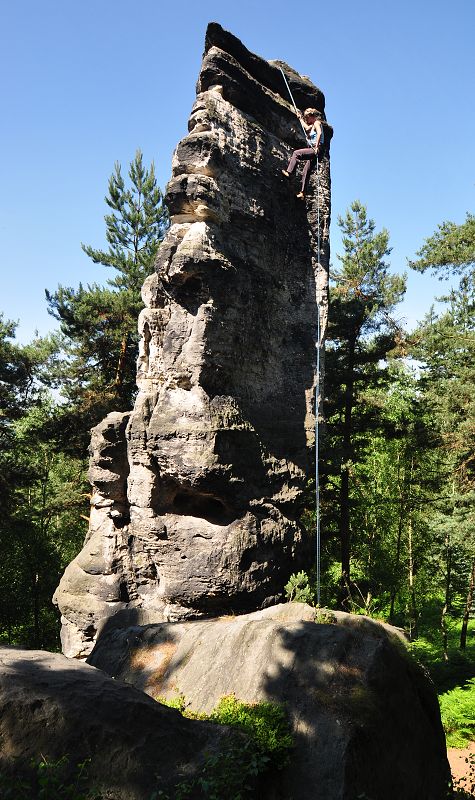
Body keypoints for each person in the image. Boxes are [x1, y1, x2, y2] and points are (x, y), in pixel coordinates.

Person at [282, 108, 324, 199]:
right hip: (317, 150)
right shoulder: (312, 125)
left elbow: (319, 133)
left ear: (311, 116)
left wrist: (316, 147)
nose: (306, 120)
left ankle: (289, 172)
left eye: (307, 118)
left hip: (317, 149)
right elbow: (306, 128)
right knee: (306, 171)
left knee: (296, 153)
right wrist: (300, 118)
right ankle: (302, 193)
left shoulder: (317, 123)